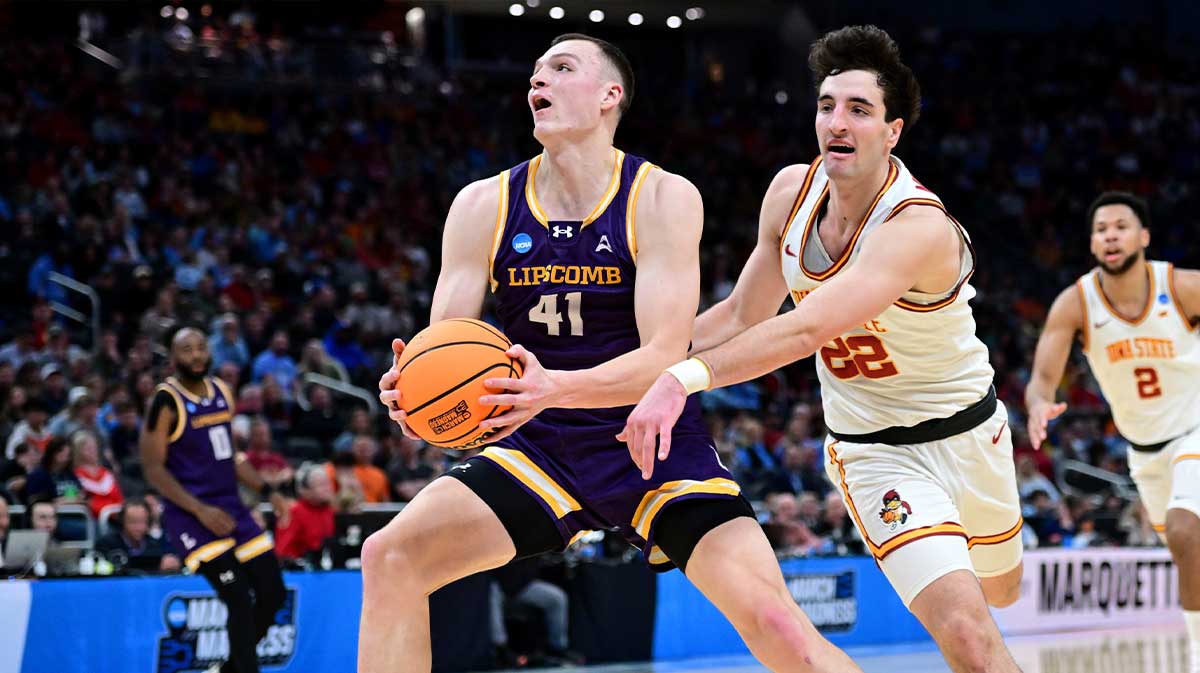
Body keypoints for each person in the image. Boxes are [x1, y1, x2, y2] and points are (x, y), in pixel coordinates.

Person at [361, 33, 862, 673]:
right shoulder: (481, 205)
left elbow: (662, 356)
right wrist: (419, 402)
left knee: (777, 626)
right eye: (536, 72)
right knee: (389, 557)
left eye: (561, 69)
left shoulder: (662, 197)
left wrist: (555, 387)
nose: (538, 82)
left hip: (650, 441)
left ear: (609, 96)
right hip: (535, 446)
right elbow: (448, 351)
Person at [624, 25, 1023, 673]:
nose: (837, 121)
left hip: (970, 435)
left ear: (892, 132)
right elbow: (741, 314)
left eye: (859, 109)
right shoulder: (789, 193)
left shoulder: (917, 225)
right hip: (874, 452)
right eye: (826, 105)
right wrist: (625, 363)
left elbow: (807, 329)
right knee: (970, 639)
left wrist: (683, 376)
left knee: (1000, 591)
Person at [1024, 190, 1200, 673]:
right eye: (1101, 230)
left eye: (1120, 226)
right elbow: (1041, 379)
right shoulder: (1075, 303)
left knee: (1188, 533)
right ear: (1092, 243)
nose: (1110, 236)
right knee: (1189, 557)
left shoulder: (1181, 287)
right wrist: (1039, 405)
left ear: (1143, 236)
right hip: (1144, 454)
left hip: (1196, 431)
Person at [140, 326, 289, 673]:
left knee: (273, 595)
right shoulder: (165, 400)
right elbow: (152, 468)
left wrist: (269, 492)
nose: (195, 356)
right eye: (186, 350)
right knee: (237, 596)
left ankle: (229, 669)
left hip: (231, 508)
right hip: (190, 515)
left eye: (200, 348)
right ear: (173, 358)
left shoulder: (222, 391)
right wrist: (200, 510)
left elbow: (232, 456)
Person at [96, 498, 181, 574]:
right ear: (122, 521)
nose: (138, 527)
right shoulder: (106, 545)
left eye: (142, 522)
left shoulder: (155, 545)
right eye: (133, 522)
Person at [274, 462, 335, 562]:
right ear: (305, 490)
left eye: (328, 483)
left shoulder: (328, 509)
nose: (327, 489)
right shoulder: (294, 512)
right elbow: (283, 551)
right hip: (299, 568)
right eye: (321, 485)